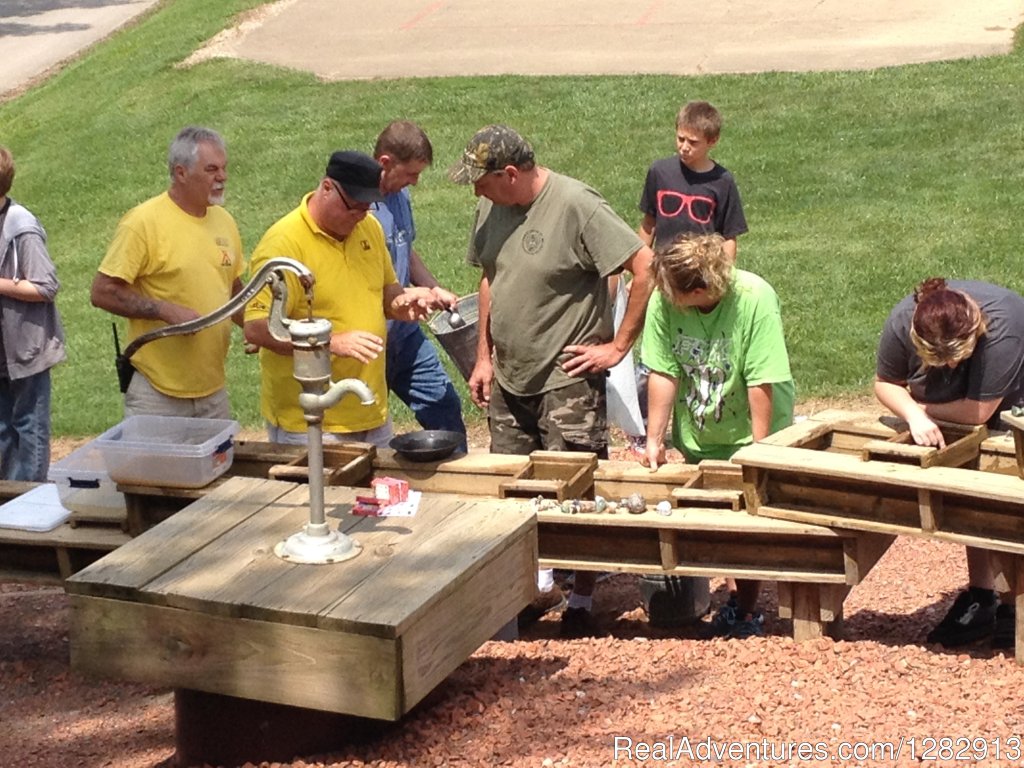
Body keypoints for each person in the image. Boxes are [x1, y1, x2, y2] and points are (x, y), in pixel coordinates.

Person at [449, 124, 656, 638]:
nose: (475, 191)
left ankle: (583, 595)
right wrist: (483, 356)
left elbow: (644, 265)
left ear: (511, 174)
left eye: (482, 181)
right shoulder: (491, 207)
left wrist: (617, 346)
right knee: (515, 491)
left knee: (574, 488)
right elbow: (489, 276)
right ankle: (530, 589)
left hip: (566, 378)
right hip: (510, 376)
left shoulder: (575, 205)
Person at [640, 232, 794, 639]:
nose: (664, 297)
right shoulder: (665, 298)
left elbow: (762, 381)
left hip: (751, 430)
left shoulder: (754, 298)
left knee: (746, 525)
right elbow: (663, 370)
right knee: (718, 524)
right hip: (699, 432)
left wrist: (760, 453)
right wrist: (654, 438)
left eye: (673, 292)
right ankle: (736, 602)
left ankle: (745, 610)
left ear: (701, 288)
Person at [243, 150, 442, 447]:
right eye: (353, 207)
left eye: (367, 207)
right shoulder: (284, 246)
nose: (360, 215)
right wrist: (331, 343)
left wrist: (402, 305)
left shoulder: (369, 227)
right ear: (326, 188)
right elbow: (257, 328)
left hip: (371, 410)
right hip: (311, 421)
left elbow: (388, 295)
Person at [875, 277, 1024, 649]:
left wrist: (920, 409)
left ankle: (1014, 602)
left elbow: (978, 411)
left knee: (1008, 487)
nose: (953, 364)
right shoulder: (901, 320)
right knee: (968, 490)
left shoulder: (1005, 328)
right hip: (952, 404)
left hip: (1015, 393)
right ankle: (982, 596)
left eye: (958, 356)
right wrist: (913, 416)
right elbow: (884, 382)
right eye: (942, 360)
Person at [90, 126, 244, 419]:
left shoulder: (224, 221)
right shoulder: (143, 223)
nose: (222, 177)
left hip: (213, 391)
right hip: (156, 394)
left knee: (218, 466)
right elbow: (102, 292)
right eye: (211, 169)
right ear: (181, 173)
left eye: (224, 168)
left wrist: (257, 326)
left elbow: (233, 288)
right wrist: (164, 310)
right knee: (156, 468)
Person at [371, 121, 466, 446]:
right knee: (369, 426)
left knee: (444, 405)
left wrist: (433, 287)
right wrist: (409, 294)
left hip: (404, 334)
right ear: (385, 163)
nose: (415, 181)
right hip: (369, 339)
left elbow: (405, 249)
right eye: (411, 173)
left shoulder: (400, 196)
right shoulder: (357, 208)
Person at [0, 147, 66, 481]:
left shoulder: (21, 226)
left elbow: (45, 286)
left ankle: (27, 508)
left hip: (25, 351)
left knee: (28, 429)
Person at [638, 100, 747, 259]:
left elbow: (728, 237)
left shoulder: (723, 181)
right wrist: (639, 266)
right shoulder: (660, 172)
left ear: (712, 141)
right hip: (664, 267)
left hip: (703, 268)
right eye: (681, 139)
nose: (684, 147)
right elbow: (649, 224)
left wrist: (724, 273)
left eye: (693, 142)